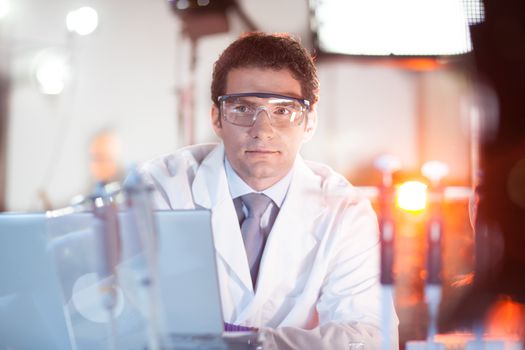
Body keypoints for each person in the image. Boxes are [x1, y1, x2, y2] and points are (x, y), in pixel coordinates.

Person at [140, 32, 399, 349]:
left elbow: (370, 336)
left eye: (283, 110)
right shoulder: (160, 189)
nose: (262, 131)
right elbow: (124, 321)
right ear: (216, 119)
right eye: (243, 109)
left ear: (309, 122)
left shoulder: (344, 210)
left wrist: (244, 344)